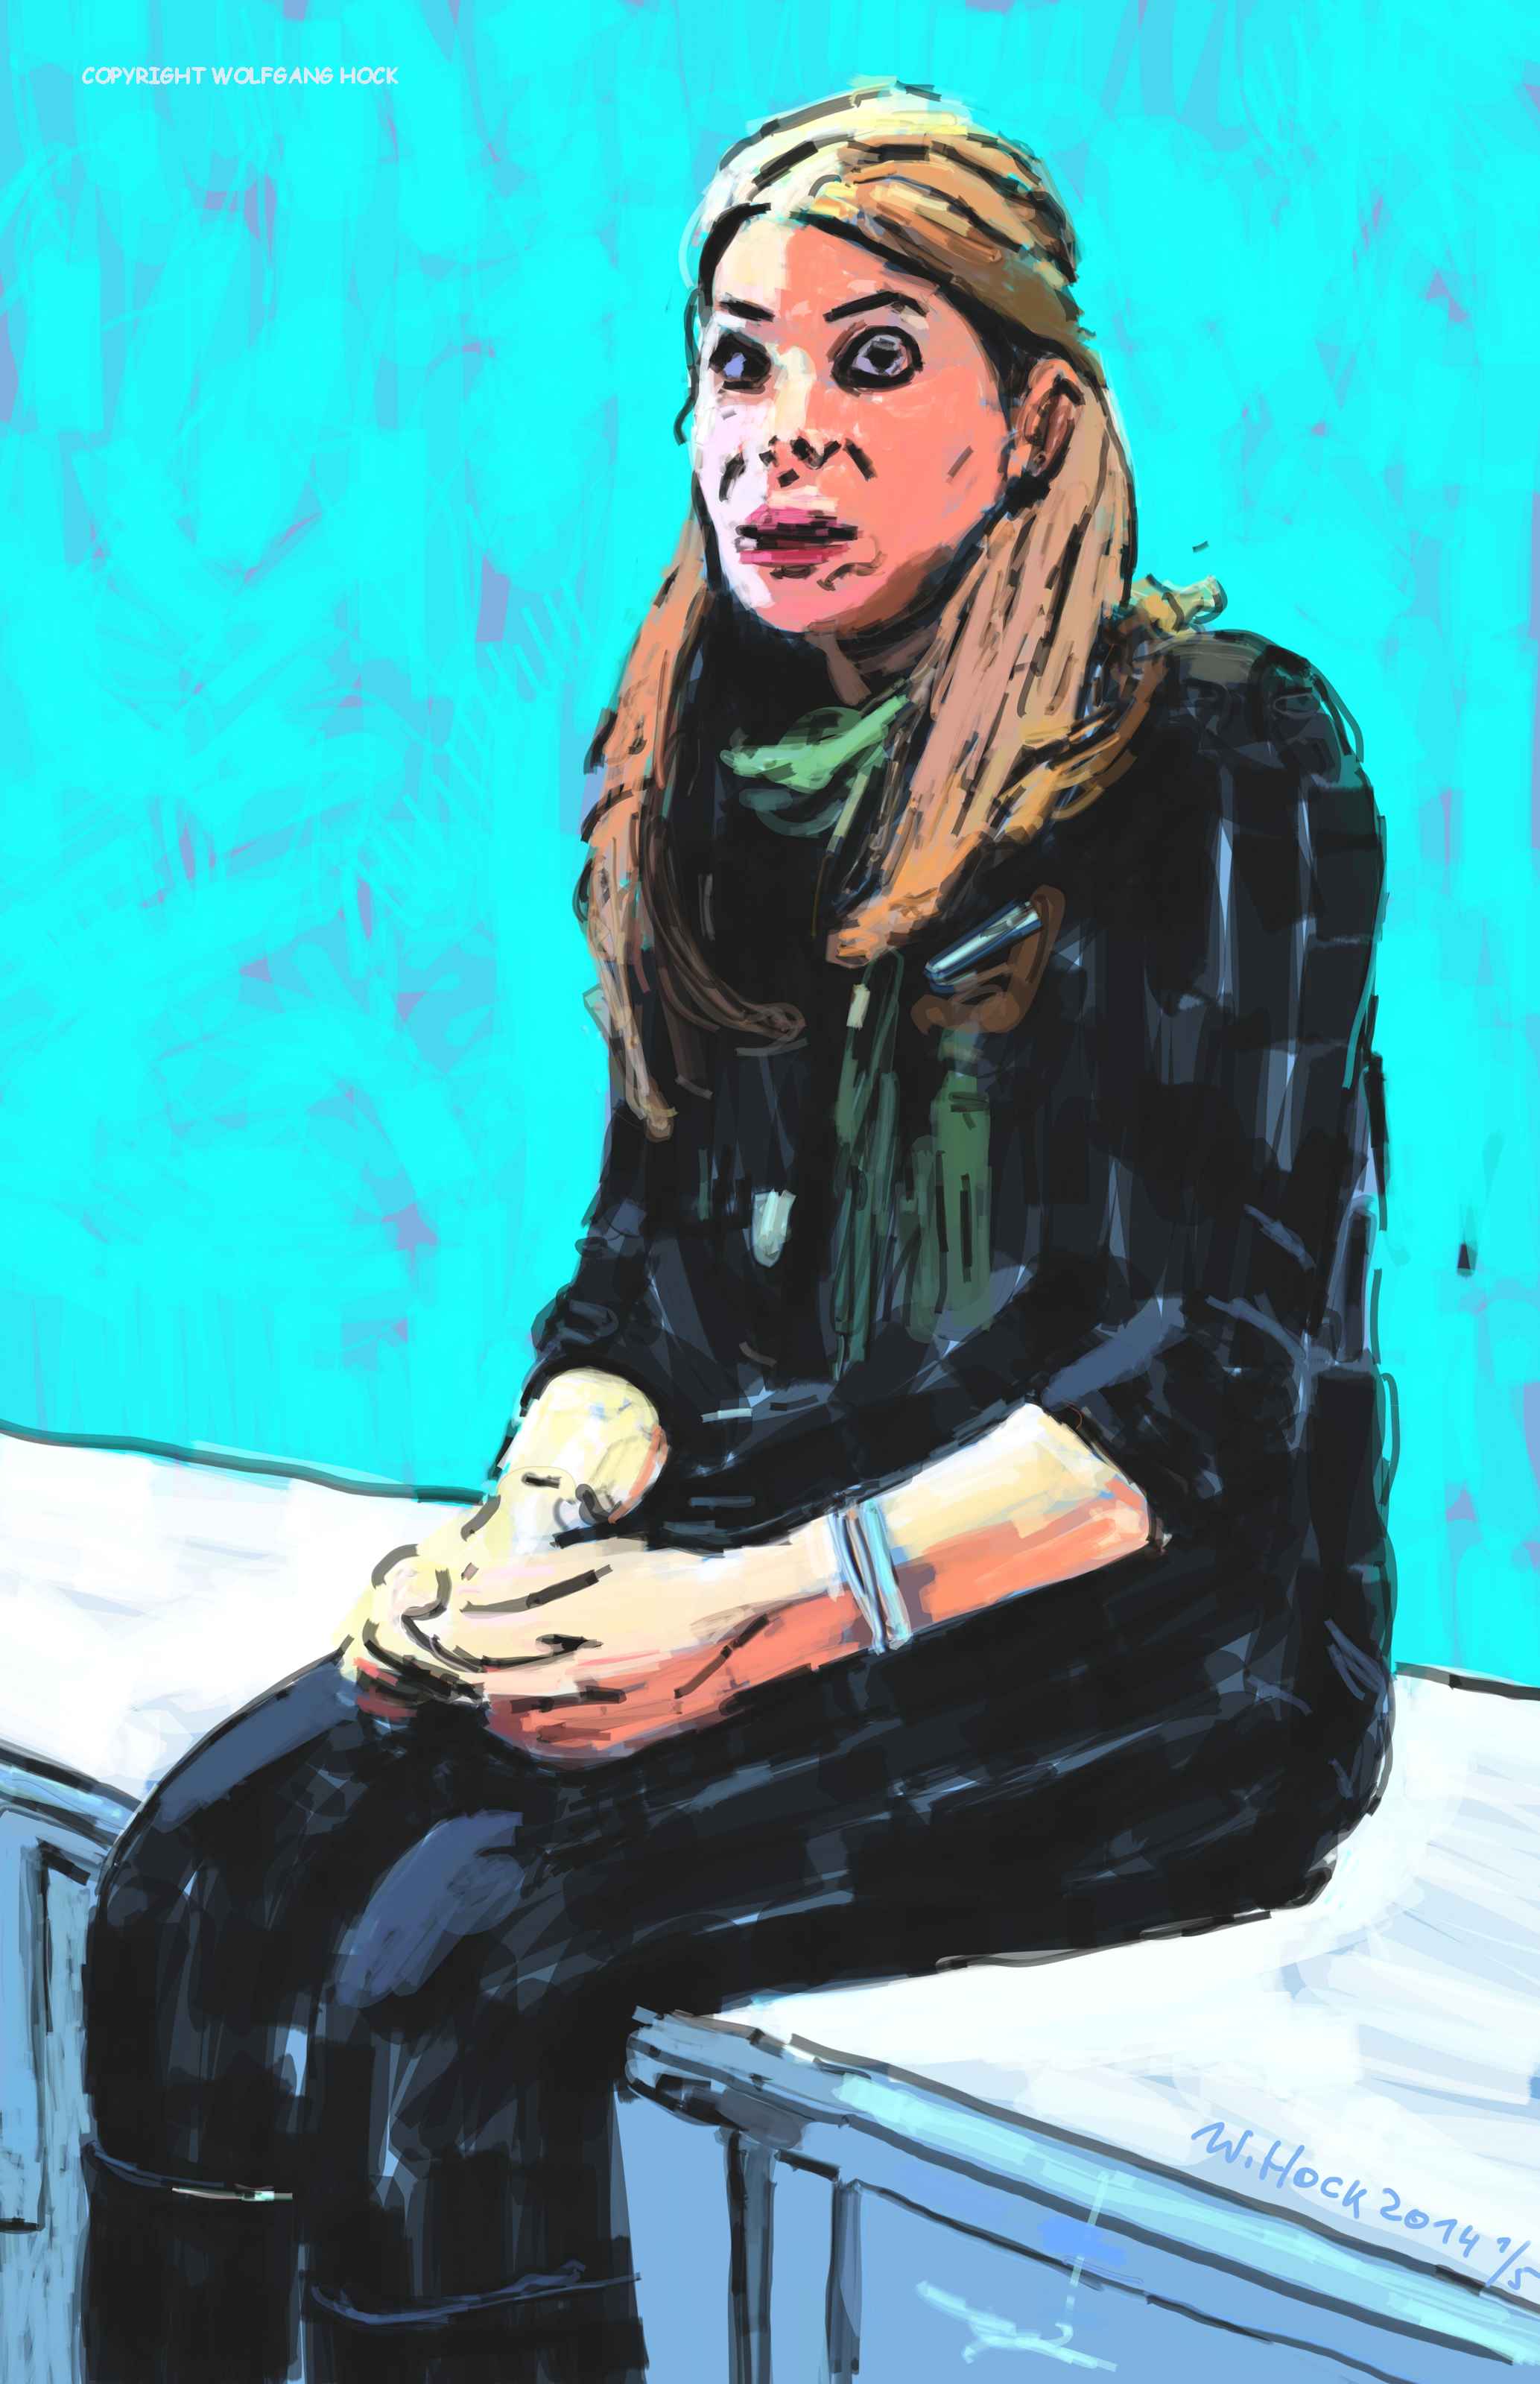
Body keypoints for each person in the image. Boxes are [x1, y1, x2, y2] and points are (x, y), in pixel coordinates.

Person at [79, 81, 1396, 2384]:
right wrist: (521, 1540)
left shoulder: (1219, 754)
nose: (783, 434)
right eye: (737, 365)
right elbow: (642, 1296)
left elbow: (1193, 1383)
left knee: (459, 1954)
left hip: (1156, 1658)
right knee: (195, 1877)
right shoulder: (718, 762)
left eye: (872, 360)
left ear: (1030, 424)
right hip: (767, 1573)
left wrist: (752, 1614)